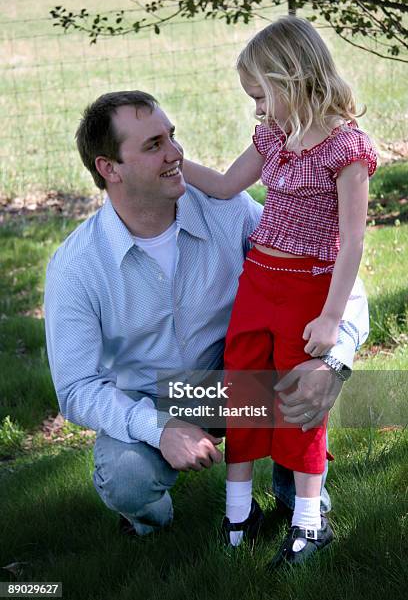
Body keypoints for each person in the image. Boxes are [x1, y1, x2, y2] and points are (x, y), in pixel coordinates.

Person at [44, 89, 369, 550]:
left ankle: (293, 490)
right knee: (127, 478)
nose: (176, 154)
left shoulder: (226, 210)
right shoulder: (77, 266)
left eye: (172, 137)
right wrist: (160, 428)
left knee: (301, 375)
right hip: (151, 399)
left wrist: (335, 360)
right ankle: (147, 524)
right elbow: (76, 389)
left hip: (238, 384)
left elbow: (327, 272)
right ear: (109, 168)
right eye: (154, 145)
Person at [182, 16, 376, 566]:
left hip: (307, 293)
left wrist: (332, 318)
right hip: (258, 283)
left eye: (262, 96)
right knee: (244, 390)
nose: (258, 110)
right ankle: (239, 514)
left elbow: (353, 242)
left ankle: (308, 525)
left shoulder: (347, 149)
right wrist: (174, 162)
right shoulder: (271, 138)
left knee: (296, 404)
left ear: (292, 78)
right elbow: (223, 186)